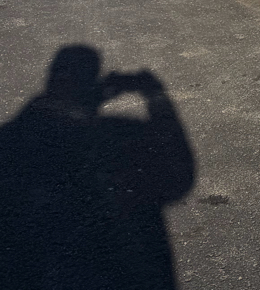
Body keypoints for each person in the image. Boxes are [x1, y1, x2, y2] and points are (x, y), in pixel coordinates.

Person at [0, 45, 195, 289]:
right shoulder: (114, 139)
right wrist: (155, 94)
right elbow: (179, 177)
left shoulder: (10, 141)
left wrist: (87, 99)